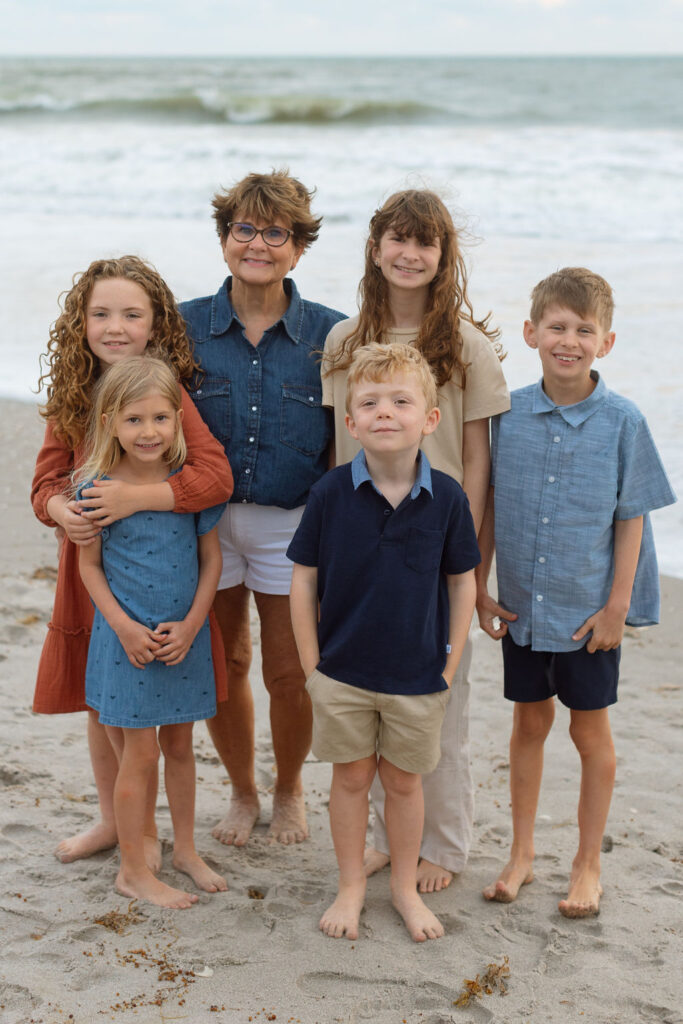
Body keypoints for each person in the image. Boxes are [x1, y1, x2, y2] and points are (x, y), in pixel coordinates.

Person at [322, 189, 509, 892]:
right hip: (360, 552)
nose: (408, 254)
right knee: (368, 699)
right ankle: (383, 838)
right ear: (375, 249)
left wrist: (478, 565)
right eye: (395, 240)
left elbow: (479, 464)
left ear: (441, 256)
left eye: (423, 243)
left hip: (436, 550)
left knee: (438, 704)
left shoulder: (465, 346)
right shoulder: (344, 343)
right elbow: (337, 450)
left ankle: (445, 846)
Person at [476, 267, 676, 918]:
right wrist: (478, 585)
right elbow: (487, 504)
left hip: (587, 614)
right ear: (531, 332)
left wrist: (617, 605)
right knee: (527, 725)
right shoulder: (505, 415)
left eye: (583, 330)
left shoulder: (622, 421)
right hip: (521, 608)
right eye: (556, 327)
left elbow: (631, 518)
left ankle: (587, 862)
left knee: (590, 737)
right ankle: (521, 852)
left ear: (606, 342)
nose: (569, 340)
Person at [32, 255, 233, 865]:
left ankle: (154, 835)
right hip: (93, 571)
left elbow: (214, 475)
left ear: (155, 324)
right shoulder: (71, 397)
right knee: (105, 702)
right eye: (100, 313)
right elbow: (44, 485)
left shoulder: (163, 394)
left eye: (131, 314)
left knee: (161, 725)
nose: (115, 326)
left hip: (159, 576)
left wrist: (135, 497)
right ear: (81, 322)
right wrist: (61, 511)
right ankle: (112, 821)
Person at [288, 343, 479, 941]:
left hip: (419, 676)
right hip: (341, 673)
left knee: (403, 784)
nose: (385, 412)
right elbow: (303, 580)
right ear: (351, 423)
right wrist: (312, 666)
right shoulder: (329, 495)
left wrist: (449, 662)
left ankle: (401, 888)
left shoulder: (447, 497)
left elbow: (463, 582)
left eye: (401, 401)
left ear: (430, 418)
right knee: (349, 780)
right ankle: (350, 886)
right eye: (369, 402)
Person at [179, 170, 346, 847]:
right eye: (244, 229)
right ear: (224, 240)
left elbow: (347, 438)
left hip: (292, 527)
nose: (257, 243)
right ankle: (244, 793)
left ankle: (289, 790)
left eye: (274, 232)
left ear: (297, 248)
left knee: (288, 671)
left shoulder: (331, 335)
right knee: (228, 666)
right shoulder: (183, 325)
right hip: (207, 523)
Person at [77, 356, 227, 908]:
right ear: (110, 421)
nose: (149, 432)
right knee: (139, 755)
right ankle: (133, 869)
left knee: (182, 747)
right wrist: (122, 627)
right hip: (126, 645)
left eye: (161, 418)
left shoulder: (186, 487)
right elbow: (88, 568)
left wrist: (192, 625)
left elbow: (211, 562)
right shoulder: (95, 489)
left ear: (178, 420)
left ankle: (185, 849)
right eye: (134, 419)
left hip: (183, 640)